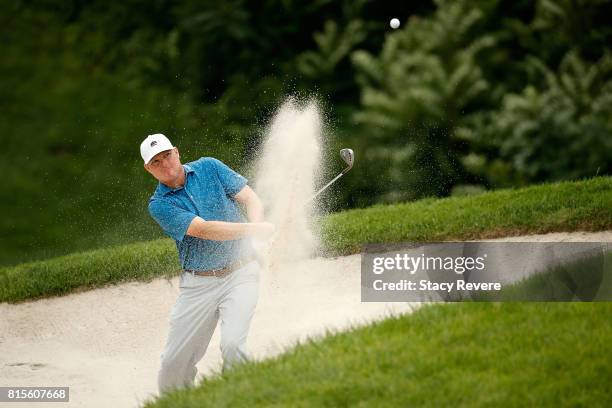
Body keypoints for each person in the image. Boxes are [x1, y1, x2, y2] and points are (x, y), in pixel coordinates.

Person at [140, 133, 274, 394]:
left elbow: (250, 198)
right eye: (156, 162)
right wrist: (255, 229)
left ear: (177, 152)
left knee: (233, 345)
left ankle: (239, 396)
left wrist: (257, 237)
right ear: (149, 169)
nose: (165, 164)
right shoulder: (159, 205)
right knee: (172, 364)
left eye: (167, 155)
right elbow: (204, 230)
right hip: (198, 285)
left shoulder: (209, 167)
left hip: (241, 273)